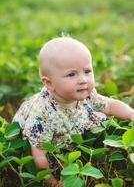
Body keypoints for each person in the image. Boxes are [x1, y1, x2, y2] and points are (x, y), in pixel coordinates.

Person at [13, 37, 134, 186]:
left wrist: (131, 114)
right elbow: (39, 154)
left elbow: (109, 105)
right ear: (49, 83)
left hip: (70, 124)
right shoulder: (42, 114)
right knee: (44, 151)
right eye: (71, 74)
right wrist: (50, 180)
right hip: (41, 140)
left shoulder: (86, 93)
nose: (83, 80)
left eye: (87, 71)